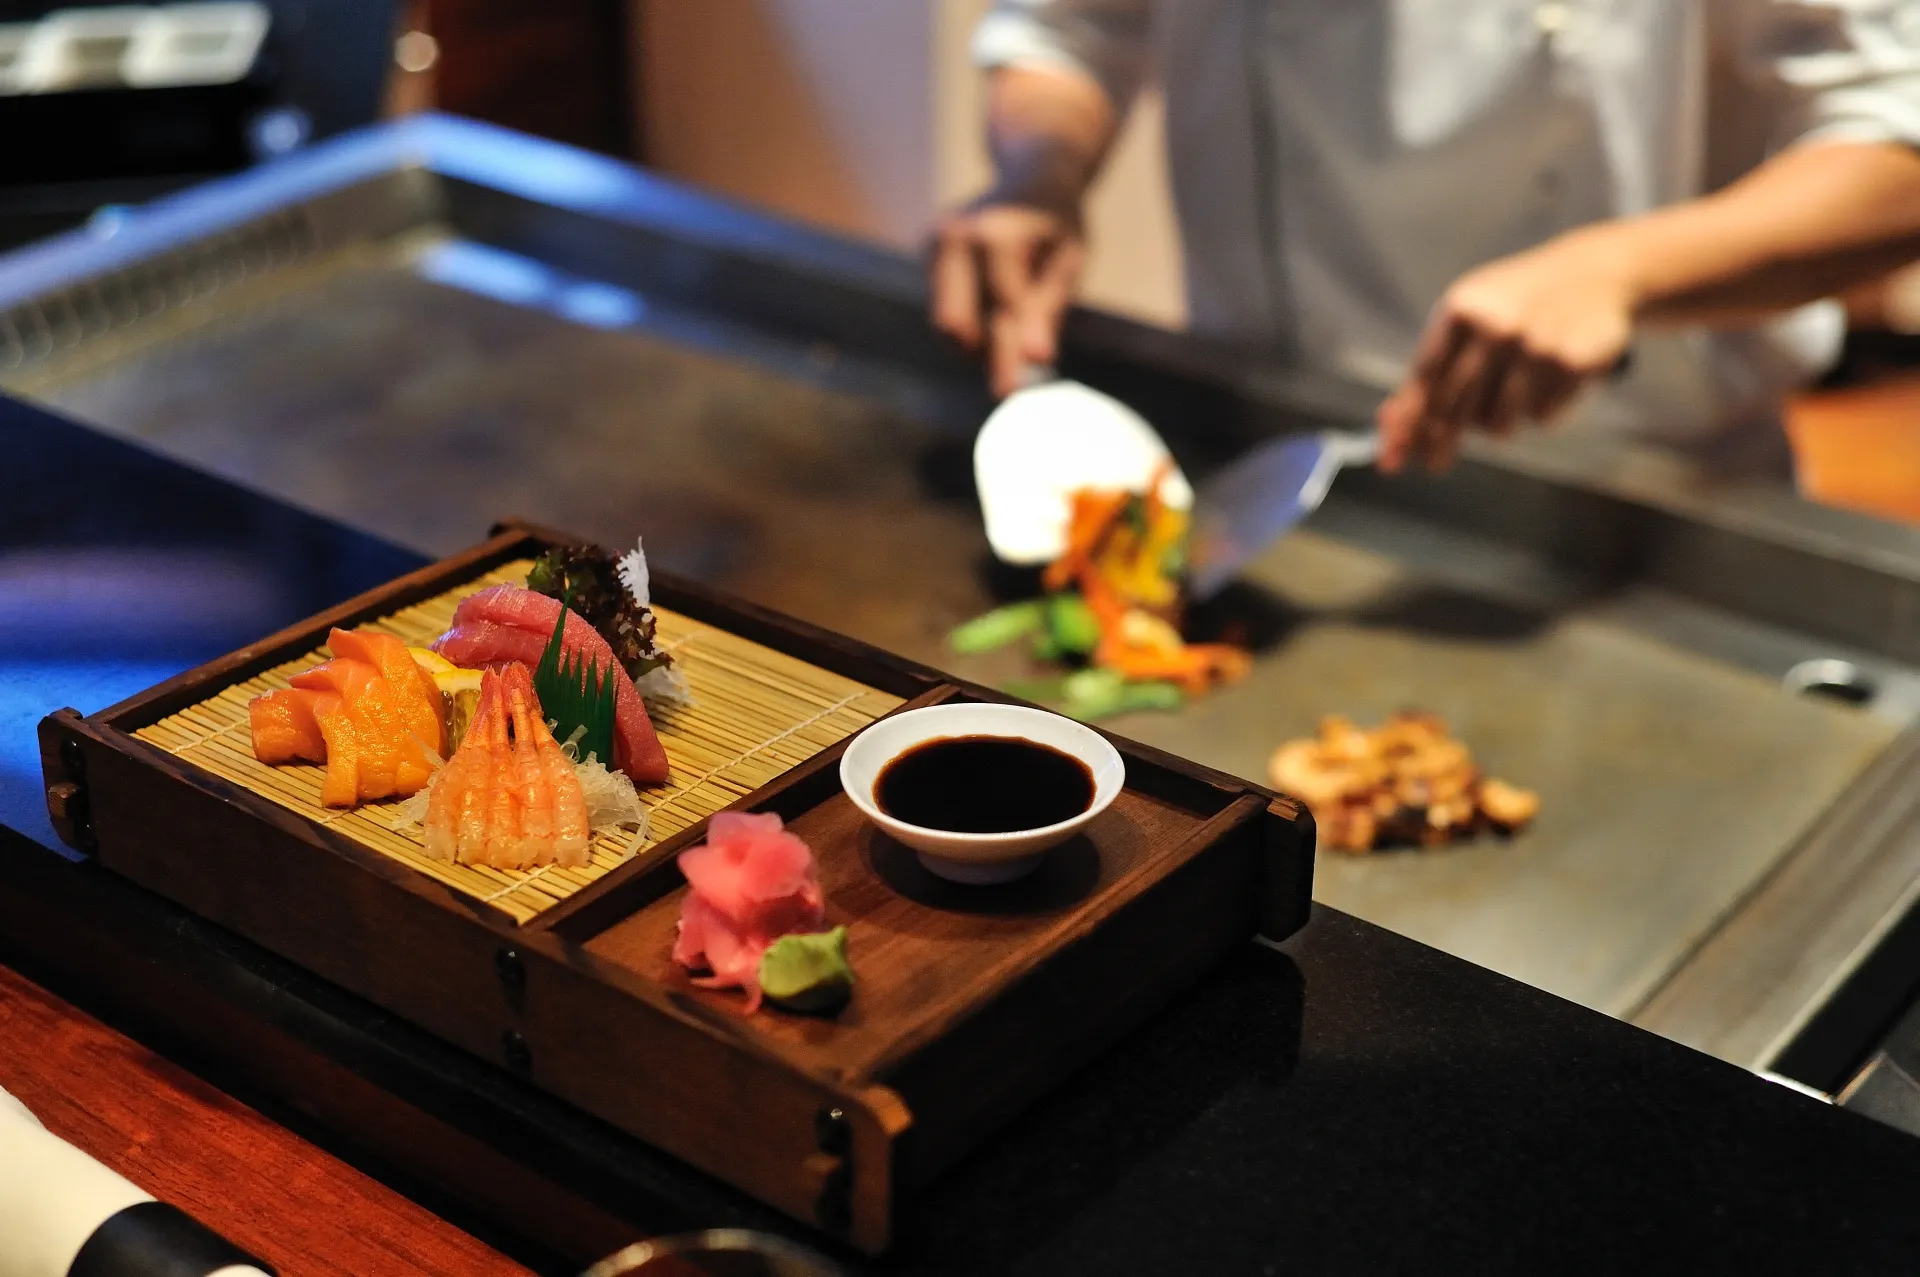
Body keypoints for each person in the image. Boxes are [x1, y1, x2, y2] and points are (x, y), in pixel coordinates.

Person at [930, 1, 1920, 474]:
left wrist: (1619, 269)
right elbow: (1069, 29)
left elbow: (1898, 150)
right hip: (1249, 439)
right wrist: (1041, 174)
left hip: (1626, 479)